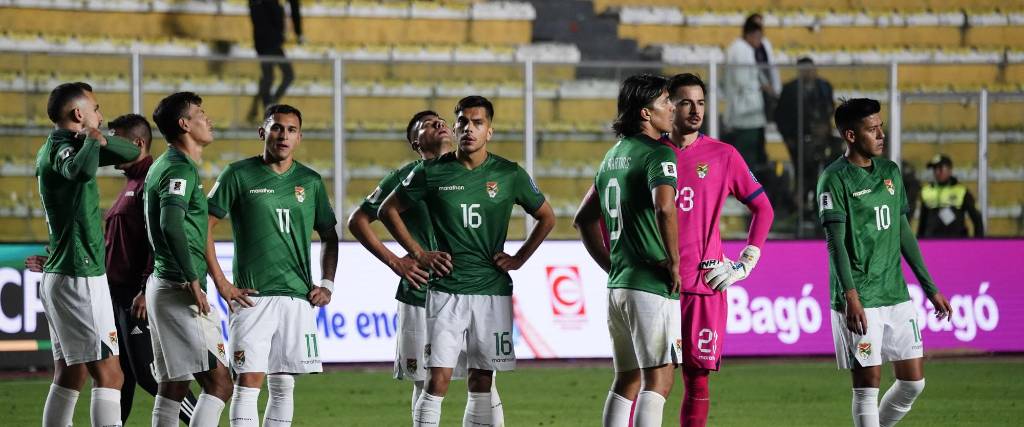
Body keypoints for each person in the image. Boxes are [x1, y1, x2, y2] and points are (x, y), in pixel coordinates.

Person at [379, 96, 556, 426]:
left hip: (492, 291)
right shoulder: (430, 172)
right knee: (437, 381)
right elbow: (386, 210)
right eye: (462, 122)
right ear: (456, 127)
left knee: (482, 382)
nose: (469, 129)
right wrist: (418, 253)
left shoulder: (509, 173)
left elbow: (546, 216)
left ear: (490, 130)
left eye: (477, 123)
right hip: (447, 291)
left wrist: (519, 258)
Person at [27, 114, 199, 425]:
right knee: (122, 379)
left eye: (115, 139)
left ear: (136, 144)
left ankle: (203, 418)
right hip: (114, 294)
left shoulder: (151, 179)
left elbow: (157, 239)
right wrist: (58, 256)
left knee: (146, 373)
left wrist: (147, 288)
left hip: (136, 297)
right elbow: (115, 243)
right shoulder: (130, 184)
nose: (109, 146)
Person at [347, 110, 506, 424]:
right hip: (421, 294)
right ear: (414, 142)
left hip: (472, 292)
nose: (440, 124)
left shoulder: (475, 172)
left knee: (485, 381)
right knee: (427, 384)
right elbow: (358, 220)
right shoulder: (404, 177)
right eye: (428, 124)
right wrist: (398, 261)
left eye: (441, 121)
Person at [816, 98, 953, 427]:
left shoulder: (891, 172)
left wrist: (930, 288)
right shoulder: (834, 179)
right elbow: (836, 244)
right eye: (872, 129)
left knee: (913, 383)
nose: (880, 134)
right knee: (867, 388)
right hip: (860, 297)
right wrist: (851, 297)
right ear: (850, 135)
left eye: (881, 127)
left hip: (894, 293)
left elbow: (903, 234)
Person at [204, 104, 340, 427]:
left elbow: (330, 235)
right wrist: (222, 282)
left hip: (298, 297)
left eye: (291, 130)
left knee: (283, 385)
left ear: (299, 137)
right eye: (277, 128)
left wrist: (328, 283)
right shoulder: (237, 174)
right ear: (262, 132)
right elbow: (202, 227)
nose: (284, 135)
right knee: (248, 383)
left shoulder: (310, 181)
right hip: (253, 297)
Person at [661, 73, 774, 427]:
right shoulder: (650, 152)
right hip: (658, 284)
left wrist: (746, 262)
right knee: (653, 381)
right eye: (685, 102)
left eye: (701, 103)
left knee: (697, 381)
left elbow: (764, 209)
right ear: (669, 106)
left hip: (704, 284)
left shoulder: (724, 155)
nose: (695, 111)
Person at [573, 73, 681, 427]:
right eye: (665, 101)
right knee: (659, 379)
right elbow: (665, 207)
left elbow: (584, 219)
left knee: (628, 378)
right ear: (646, 113)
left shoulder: (612, 156)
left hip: (619, 285)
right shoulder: (660, 152)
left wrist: (613, 265)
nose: (672, 107)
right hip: (649, 283)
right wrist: (675, 264)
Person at [35, 82, 140, 427]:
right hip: (79, 274)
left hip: (64, 273)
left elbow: (131, 153)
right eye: (96, 109)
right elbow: (78, 172)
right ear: (79, 114)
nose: (101, 115)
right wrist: (93, 140)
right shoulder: (62, 150)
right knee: (111, 376)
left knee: (71, 373)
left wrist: (97, 139)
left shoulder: (70, 144)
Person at [144, 91, 233, 426]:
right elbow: (170, 224)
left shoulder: (165, 165)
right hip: (180, 287)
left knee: (174, 384)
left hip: (165, 283)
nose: (207, 119)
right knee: (220, 383)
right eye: (200, 113)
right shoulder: (179, 169)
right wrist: (194, 281)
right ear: (184, 124)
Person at [775, 57, 839, 224]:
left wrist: (824, 128)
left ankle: (820, 207)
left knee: (824, 170)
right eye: (804, 69)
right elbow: (780, 115)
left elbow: (829, 109)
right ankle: (800, 209)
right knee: (802, 172)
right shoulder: (790, 89)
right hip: (798, 140)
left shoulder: (824, 87)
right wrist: (789, 138)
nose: (809, 72)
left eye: (811, 69)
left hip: (822, 140)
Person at [723, 16, 780, 169]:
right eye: (758, 37)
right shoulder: (739, 50)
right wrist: (761, 86)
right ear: (751, 34)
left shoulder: (749, 49)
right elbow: (743, 81)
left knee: (755, 154)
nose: (760, 41)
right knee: (746, 157)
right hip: (745, 114)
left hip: (754, 114)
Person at [249, 0, 302, 117]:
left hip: (269, 43)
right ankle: (268, 106)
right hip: (266, 43)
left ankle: (268, 105)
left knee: (273, 76)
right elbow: (260, 17)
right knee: (272, 76)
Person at [918, 154, 985, 238]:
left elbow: (976, 218)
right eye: (935, 169)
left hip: (957, 242)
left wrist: (978, 243)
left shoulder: (961, 191)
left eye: (941, 168)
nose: (937, 172)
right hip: (932, 242)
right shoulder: (926, 191)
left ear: (950, 170)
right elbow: (922, 221)